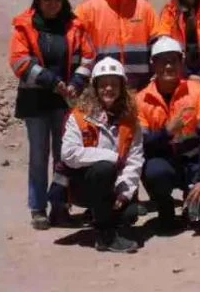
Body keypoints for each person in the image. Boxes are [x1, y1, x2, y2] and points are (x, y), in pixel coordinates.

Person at [9, 0, 95, 229]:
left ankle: (61, 205)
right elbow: (19, 61)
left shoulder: (75, 25)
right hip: (35, 102)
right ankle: (38, 208)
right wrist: (52, 81)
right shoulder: (23, 25)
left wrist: (77, 82)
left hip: (64, 102)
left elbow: (88, 57)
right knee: (38, 155)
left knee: (64, 155)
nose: (52, 3)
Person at [53, 58, 144, 253]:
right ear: (94, 88)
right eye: (103, 84)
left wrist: (124, 191)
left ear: (122, 87)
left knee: (129, 214)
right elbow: (69, 154)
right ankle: (105, 235)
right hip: (83, 185)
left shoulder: (131, 121)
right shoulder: (78, 116)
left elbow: (134, 160)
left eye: (114, 84)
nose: (108, 89)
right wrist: (110, 156)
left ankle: (101, 216)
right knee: (104, 167)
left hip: (114, 182)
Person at [135, 38, 200, 233]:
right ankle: (166, 211)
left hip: (195, 161)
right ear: (153, 64)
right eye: (162, 61)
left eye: (174, 60)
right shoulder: (141, 100)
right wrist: (166, 132)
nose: (169, 66)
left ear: (182, 63)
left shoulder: (199, 92)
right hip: (165, 163)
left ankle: (191, 205)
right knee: (154, 171)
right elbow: (142, 145)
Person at [76, 0, 157, 91]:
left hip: (140, 88)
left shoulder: (144, 9)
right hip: (102, 89)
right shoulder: (86, 11)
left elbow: (157, 46)